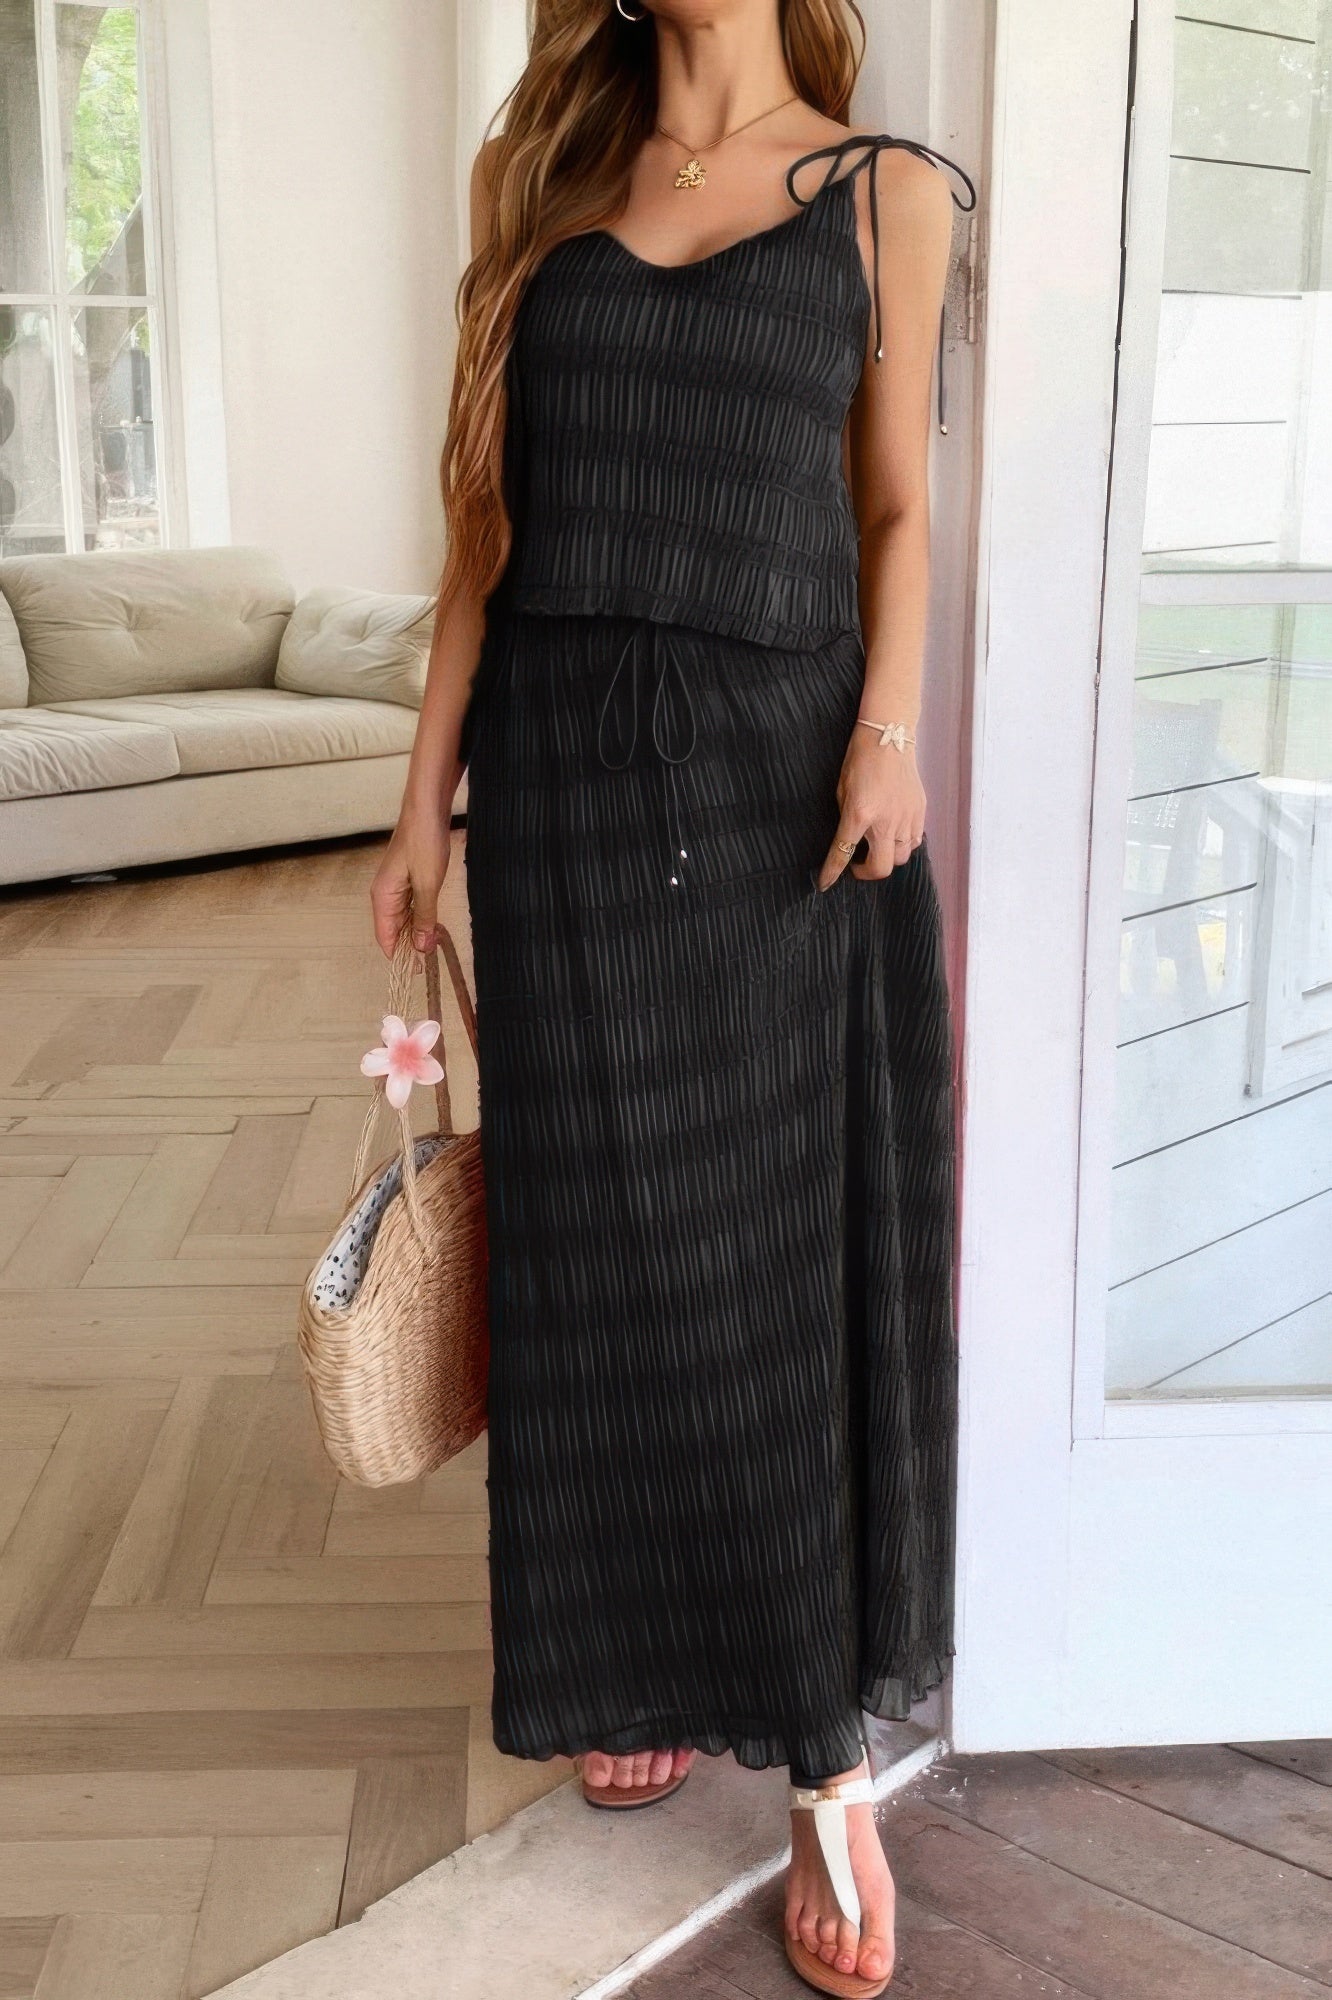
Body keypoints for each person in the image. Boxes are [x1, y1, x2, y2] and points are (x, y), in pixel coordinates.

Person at [371, 2, 969, 1991]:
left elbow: (896, 502)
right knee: (602, 1242)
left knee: (764, 1258)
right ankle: (630, 1645)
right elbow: (483, 522)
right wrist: (423, 796)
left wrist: (889, 730)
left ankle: (822, 1759)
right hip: (558, 781)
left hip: (782, 780)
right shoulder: (541, 174)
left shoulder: (885, 195)